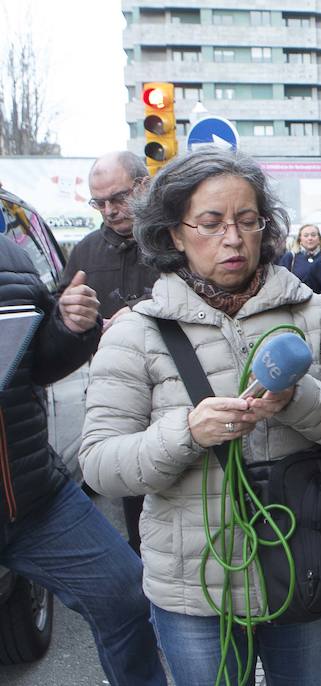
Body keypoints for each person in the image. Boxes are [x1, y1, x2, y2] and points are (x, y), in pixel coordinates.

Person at [78, 148, 321, 685]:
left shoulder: (314, 312)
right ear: (174, 232)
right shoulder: (136, 333)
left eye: (248, 221)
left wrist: (299, 399)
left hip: (302, 568)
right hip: (193, 592)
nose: (235, 239)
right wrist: (186, 432)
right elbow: (101, 465)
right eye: (211, 223)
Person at [0, 238, 165, 685]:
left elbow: (39, 365)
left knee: (127, 595)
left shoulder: (12, 256)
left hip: (34, 496)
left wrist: (70, 327)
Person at [59, 150, 159, 555]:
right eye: (98, 203)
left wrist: (141, 313)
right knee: (139, 519)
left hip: (181, 390)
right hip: (120, 399)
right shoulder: (85, 252)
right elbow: (61, 334)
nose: (109, 210)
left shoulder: (177, 237)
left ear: (144, 185)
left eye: (117, 198)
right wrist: (69, 317)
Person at [279, 223, 321, 292]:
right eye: (306, 235)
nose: (310, 238)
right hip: (297, 300)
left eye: (313, 235)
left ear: (319, 239)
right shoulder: (290, 257)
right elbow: (281, 282)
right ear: (300, 239)